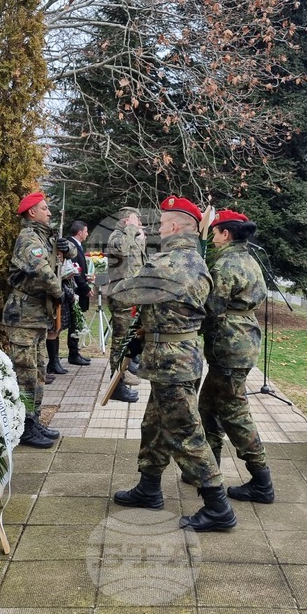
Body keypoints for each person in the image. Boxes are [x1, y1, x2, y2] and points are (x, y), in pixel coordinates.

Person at [109, 196, 236, 532]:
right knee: (154, 426)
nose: (157, 228)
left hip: (171, 362)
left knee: (185, 432)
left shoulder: (168, 263)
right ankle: (149, 489)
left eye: (163, 222)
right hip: (181, 357)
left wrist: (127, 247)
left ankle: (218, 507)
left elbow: (122, 294)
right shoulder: (194, 261)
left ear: (176, 227)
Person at [197, 209, 274, 504]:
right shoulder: (248, 259)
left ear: (225, 234)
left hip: (229, 346)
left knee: (235, 413)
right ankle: (207, 471)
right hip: (242, 341)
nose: (213, 238)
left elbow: (212, 308)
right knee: (207, 407)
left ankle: (261, 481)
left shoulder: (225, 264)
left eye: (214, 233)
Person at [2, 191, 74, 447]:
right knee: (25, 374)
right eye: (45, 208)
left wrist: (69, 249)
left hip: (36, 317)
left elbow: (60, 258)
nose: (50, 212)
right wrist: (59, 291)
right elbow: (42, 270)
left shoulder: (44, 237)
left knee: (39, 372)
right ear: (32, 212)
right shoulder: (28, 238)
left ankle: (33, 421)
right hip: (23, 316)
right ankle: (24, 428)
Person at [104, 206, 147, 401]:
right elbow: (120, 250)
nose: (138, 223)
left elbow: (138, 265)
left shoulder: (131, 237)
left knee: (128, 339)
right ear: (125, 221)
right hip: (122, 297)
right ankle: (116, 386)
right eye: (134, 219)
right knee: (120, 343)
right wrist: (131, 229)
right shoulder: (116, 237)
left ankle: (125, 374)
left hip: (133, 296)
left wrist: (140, 239)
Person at [65, 220, 93, 366]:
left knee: (76, 321)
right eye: (86, 231)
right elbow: (74, 271)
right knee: (74, 322)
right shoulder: (71, 246)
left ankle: (75, 352)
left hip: (78, 287)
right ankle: (73, 354)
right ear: (80, 232)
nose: (87, 234)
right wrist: (85, 288)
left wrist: (87, 278)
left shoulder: (77, 245)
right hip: (74, 290)